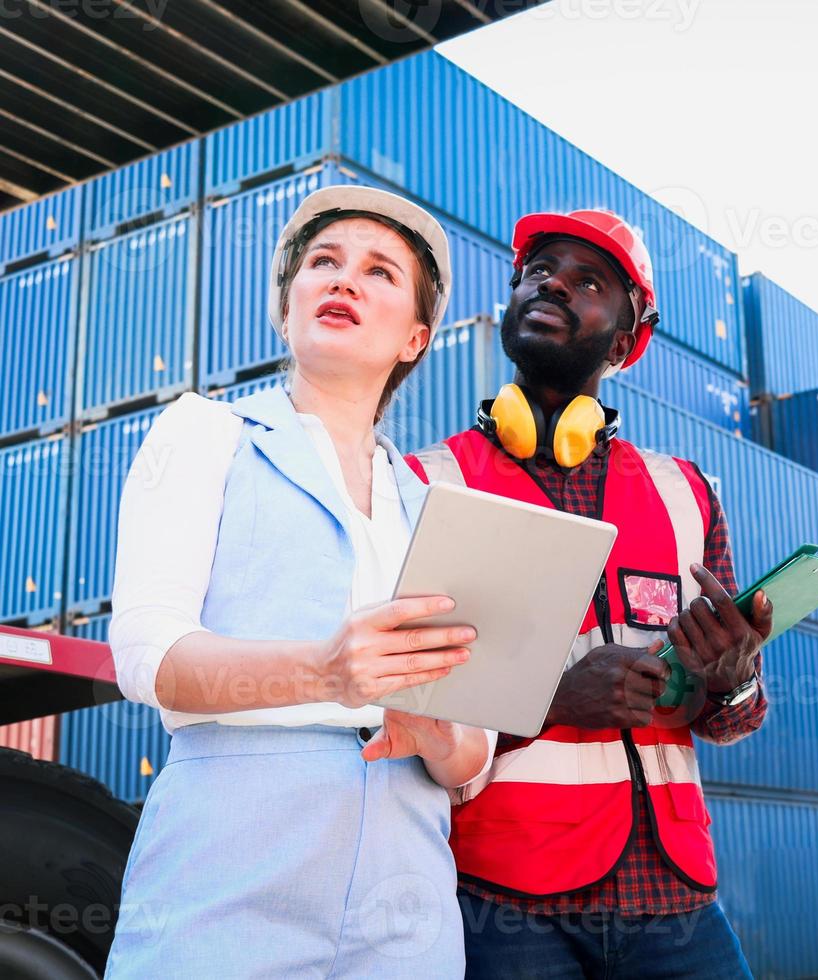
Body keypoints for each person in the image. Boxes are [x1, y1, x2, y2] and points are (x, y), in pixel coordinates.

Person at [105, 186, 492, 978]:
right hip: (226, 881)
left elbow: (476, 756)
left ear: (416, 338)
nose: (345, 280)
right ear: (289, 310)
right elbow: (147, 655)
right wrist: (323, 672)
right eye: (324, 263)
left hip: (407, 905)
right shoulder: (204, 434)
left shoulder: (438, 512)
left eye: (380, 271)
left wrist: (443, 736)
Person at [404, 209, 772, 979]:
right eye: (540, 273)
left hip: (677, 898)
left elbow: (731, 721)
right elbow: (395, 713)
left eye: (589, 282)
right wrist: (549, 700)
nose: (555, 286)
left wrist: (732, 680)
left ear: (626, 338)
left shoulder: (686, 494)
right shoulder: (425, 486)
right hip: (504, 905)